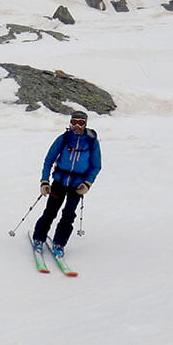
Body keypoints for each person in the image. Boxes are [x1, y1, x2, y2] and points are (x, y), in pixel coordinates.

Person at [32, 110, 101, 257]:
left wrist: (87, 183)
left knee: (68, 215)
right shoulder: (63, 139)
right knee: (50, 211)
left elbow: (96, 166)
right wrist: (45, 181)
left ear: (85, 124)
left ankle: (59, 243)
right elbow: (48, 160)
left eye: (80, 122)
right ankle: (38, 238)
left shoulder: (91, 142)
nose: (77, 125)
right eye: (74, 122)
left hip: (77, 186)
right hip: (59, 182)